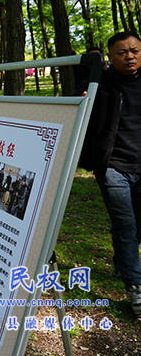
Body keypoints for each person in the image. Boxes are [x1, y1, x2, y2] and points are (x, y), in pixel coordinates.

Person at [77, 31, 141, 316]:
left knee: (136, 224)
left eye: (135, 50)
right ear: (110, 57)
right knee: (125, 226)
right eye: (122, 52)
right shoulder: (100, 85)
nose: (130, 56)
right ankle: (136, 286)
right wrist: (82, 98)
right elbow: (79, 108)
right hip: (113, 167)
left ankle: (121, 263)